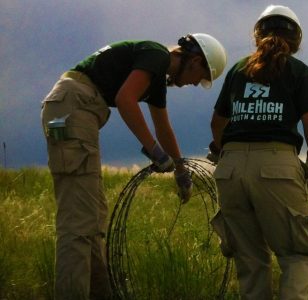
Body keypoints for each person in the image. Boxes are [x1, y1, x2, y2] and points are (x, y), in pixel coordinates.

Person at [40, 33, 226, 299]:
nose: (195, 84)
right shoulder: (156, 55)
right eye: (200, 77)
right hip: (74, 108)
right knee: (79, 224)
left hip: (76, 109)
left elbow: (163, 127)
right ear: (194, 61)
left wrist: (181, 171)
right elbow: (126, 99)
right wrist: (154, 151)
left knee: (93, 218)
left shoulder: (156, 74)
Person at [207, 5, 308, 299]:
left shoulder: (238, 70)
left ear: (257, 34)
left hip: (230, 169)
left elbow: (217, 123)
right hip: (276, 166)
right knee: (298, 254)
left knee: (249, 261)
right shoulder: (299, 71)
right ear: (296, 39)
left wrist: (229, 154)